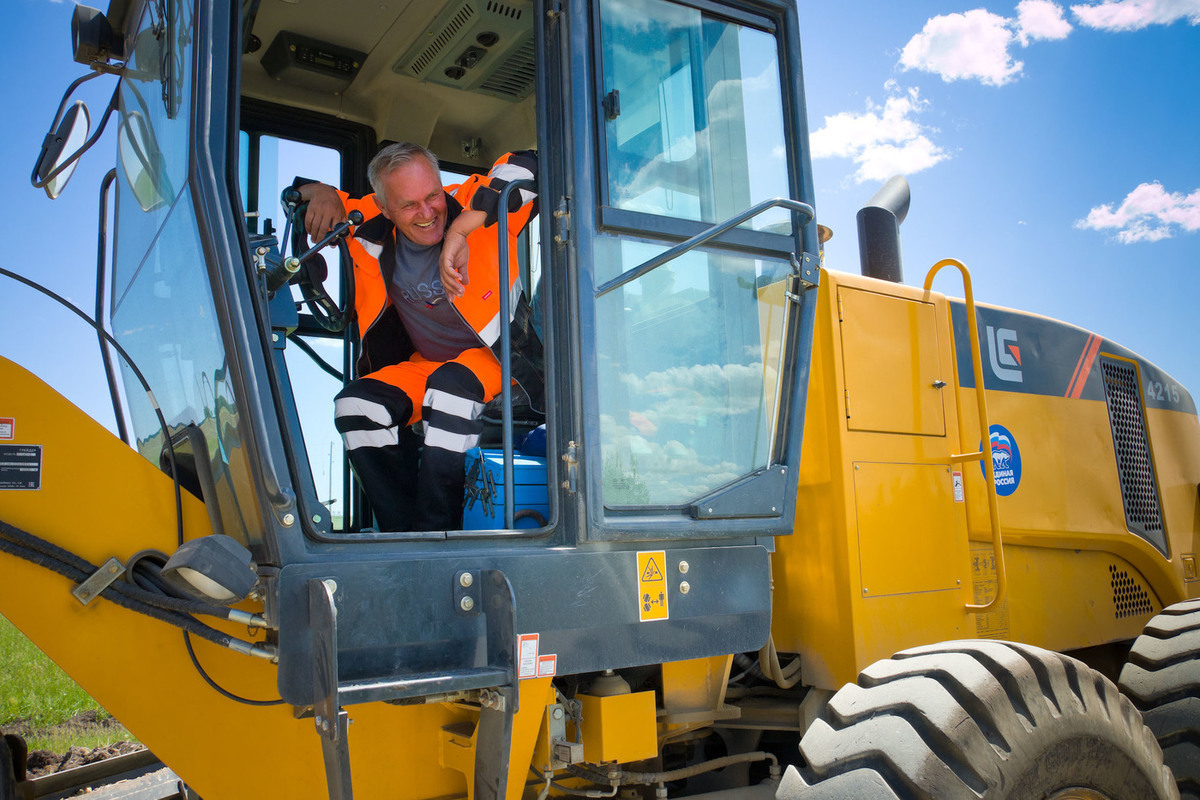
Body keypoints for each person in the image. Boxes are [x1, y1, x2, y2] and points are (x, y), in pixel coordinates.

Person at [296, 143, 542, 531]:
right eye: (410, 205)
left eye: (433, 195)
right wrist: (322, 191)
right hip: (426, 365)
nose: (428, 213)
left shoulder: (479, 209)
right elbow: (305, 194)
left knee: (448, 391)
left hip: (500, 361)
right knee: (356, 406)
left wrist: (461, 229)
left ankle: (438, 538)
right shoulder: (369, 223)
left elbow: (529, 164)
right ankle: (401, 536)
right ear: (385, 206)